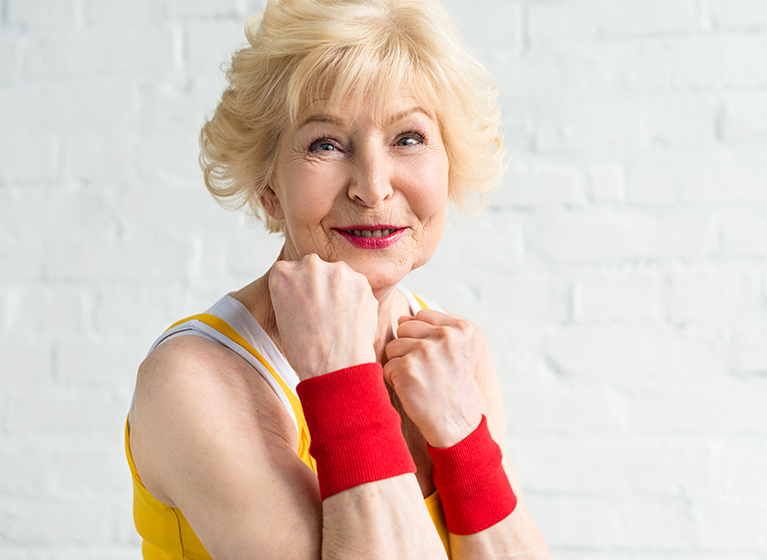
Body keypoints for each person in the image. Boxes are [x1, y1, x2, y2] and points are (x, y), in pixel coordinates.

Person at [125, 0, 550, 558]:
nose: (372, 187)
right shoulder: (193, 380)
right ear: (267, 185)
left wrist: (464, 442)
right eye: (325, 143)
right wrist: (341, 377)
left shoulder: (451, 358)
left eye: (409, 138)